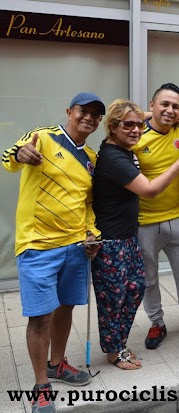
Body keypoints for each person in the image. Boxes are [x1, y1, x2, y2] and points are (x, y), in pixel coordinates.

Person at [2, 92, 105, 412]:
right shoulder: (43, 137)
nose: (88, 117)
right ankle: (40, 385)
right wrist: (20, 155)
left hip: (75, 245)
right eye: (82, 111)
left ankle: (56, 364)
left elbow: (88, 204)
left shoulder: (91, 157)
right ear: (69, 112)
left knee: (65, 308)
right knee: (40, 316)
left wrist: (92, 233)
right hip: (37, 245)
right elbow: (7, 157)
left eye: (95, 114)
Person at [92, 99, 179, 371]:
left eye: (139, 124)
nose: (136, 129)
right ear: (113, 127)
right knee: (113, 300)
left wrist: (158, 115)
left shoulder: (121, 147)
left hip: (126, 236)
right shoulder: (114, 157)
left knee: (135, 288)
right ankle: (114, 351)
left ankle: (118, 343)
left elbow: (136, 120)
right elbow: (148, 189)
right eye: (128, 125)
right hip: (112, 241)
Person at [132, 83, 179, 351]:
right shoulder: (136, 135)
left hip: (176, 217)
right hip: (143, 222)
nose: (170, 110)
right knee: (148, 277)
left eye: (175, 106)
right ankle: (157, 323)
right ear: (151, 106)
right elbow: (117, 118)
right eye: (164, 104)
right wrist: (141, 117)